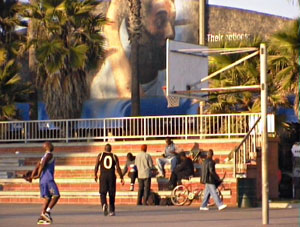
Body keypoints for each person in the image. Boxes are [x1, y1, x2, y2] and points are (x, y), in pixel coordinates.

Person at [28, 142, 60, 225]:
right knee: (56, 195)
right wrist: (37, 175)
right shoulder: (49, 155)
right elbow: (42, 165)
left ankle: (42, 217)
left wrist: (32, 176)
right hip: (48, 179)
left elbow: (37, 165)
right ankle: (46, 212)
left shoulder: (44, 157)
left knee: (47, 198)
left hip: (42, 180)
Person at [94, 144, 124, 216]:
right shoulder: (114, 156)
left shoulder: (100, 155)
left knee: (102, 192)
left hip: (103, 176)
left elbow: (96, 166)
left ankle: (104, 204)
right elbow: (118, 168)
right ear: (111, 149)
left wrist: (95, 174)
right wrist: (121, 177)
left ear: (105, 149)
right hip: (111, 176)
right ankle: (112, 210)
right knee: (112, 193)